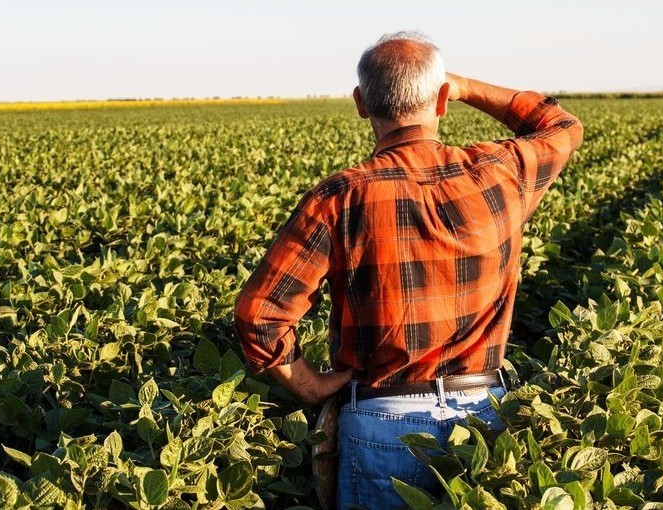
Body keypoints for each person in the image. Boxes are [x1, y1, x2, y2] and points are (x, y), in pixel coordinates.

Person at [233, 31, 583, 508]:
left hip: (381, 422)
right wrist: (463, 87)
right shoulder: (501, 171)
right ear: (441, 100)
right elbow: (559, 124)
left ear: (360, 103)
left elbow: (259, 313)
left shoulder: (339, 197)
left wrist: (308, 384)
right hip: (483, 419)